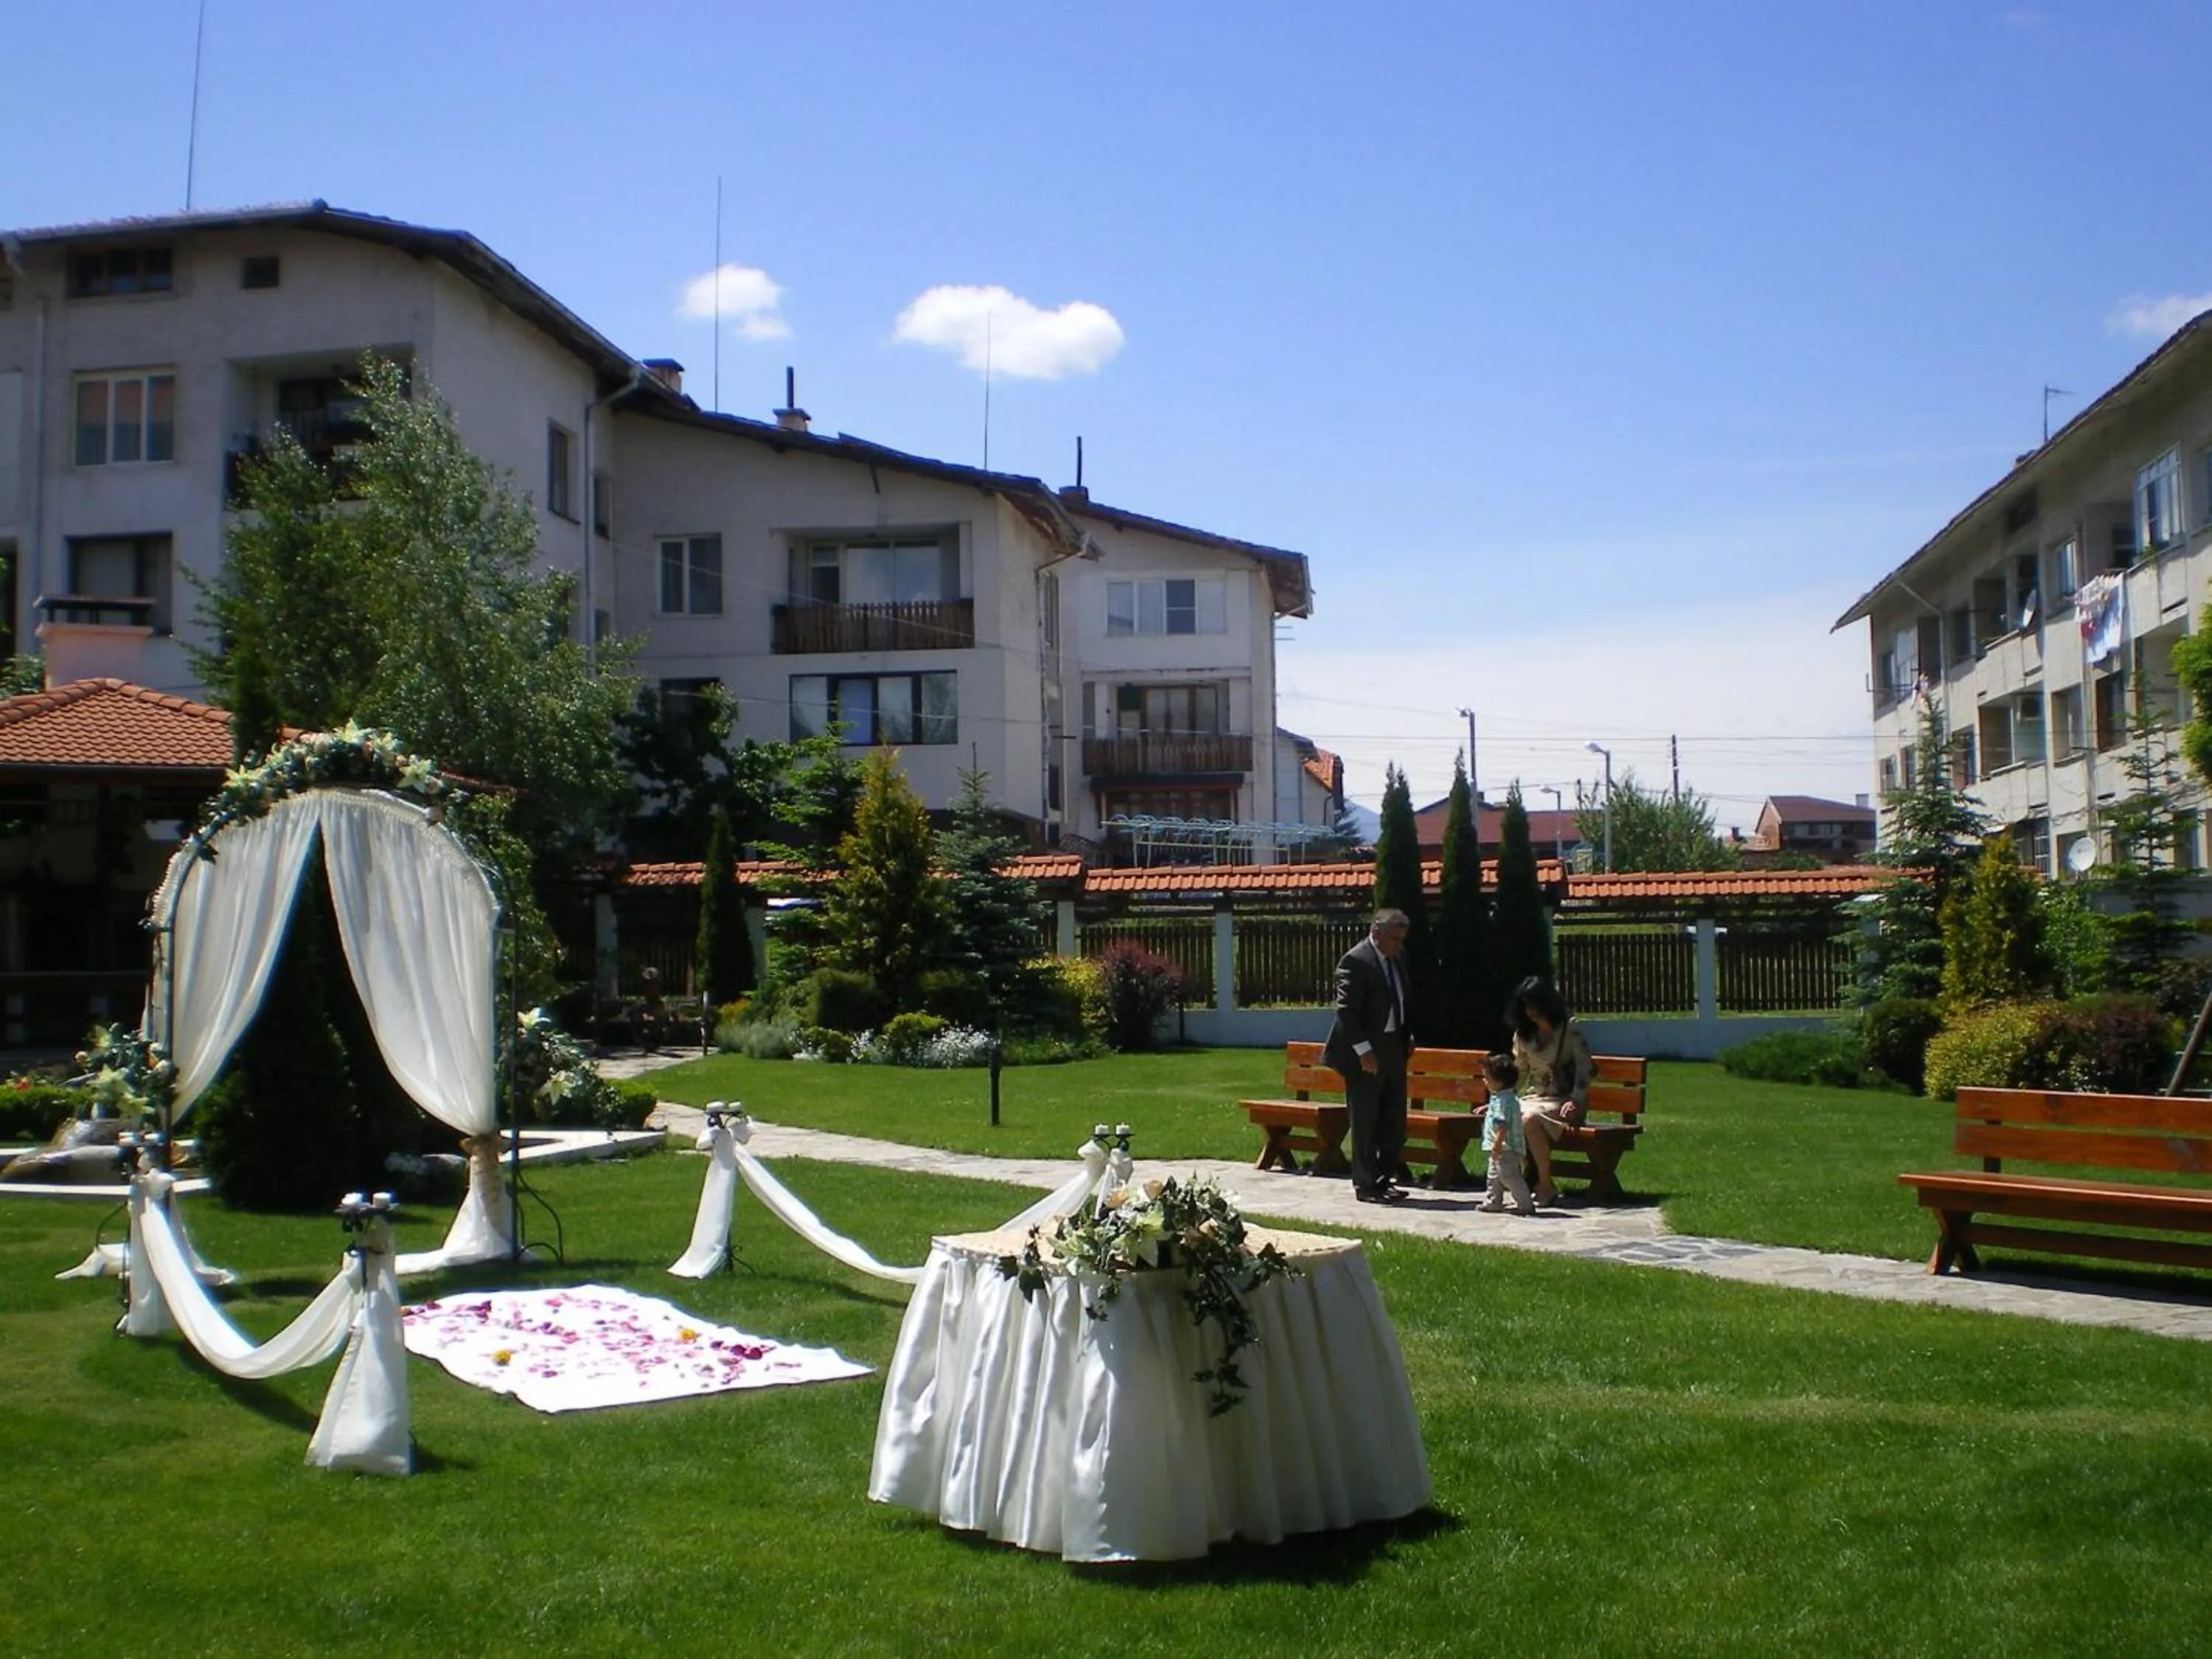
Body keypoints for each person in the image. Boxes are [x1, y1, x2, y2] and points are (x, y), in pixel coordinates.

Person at [1323, 908, 1415, 1204]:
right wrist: (1363, 1051)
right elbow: (1346, 1012)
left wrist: (1406, 1034)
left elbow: (1400, 999)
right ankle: (1365, 1184)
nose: (1397, 945)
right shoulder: (1355, 961)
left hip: (1394, 1046)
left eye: (1401, 939)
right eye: (1393, 938)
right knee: (1365, 1119)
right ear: (1376, 931)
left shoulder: (1398, 958)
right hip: (1364, 1051)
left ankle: (1384, 1178)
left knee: (1394, 1120)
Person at [1507, 975, 1593, 1206]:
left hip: (1564, 1098)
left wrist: (1575, 1100)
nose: (1530, 1011)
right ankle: (1523, 1177)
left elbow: (1586, 1068)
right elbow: (1520, 1071)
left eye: (1535, 1004)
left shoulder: (1569, 1029)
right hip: (1536, 1097)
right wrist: (1502, 1098)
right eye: (1526, 1005)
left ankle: (1545, 1183)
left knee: (1529, 1120)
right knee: (1510, 1113)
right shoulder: (1523, 1035)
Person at [1476, 1052, 1535, 1215]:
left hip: (1505, 1146)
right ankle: (1494, 1201)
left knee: (1509, 1176)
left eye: (1487, 1078)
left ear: (1500, 1081)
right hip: (1500, 1146)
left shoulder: (1504, 1101)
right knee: (1493, 1175)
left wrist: (1497, 1144)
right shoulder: (1501, 1098)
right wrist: (1488, 1109)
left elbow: (1503, 1125)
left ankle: (1525, 1203)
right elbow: (1499, 1113)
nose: (1484, 1081)